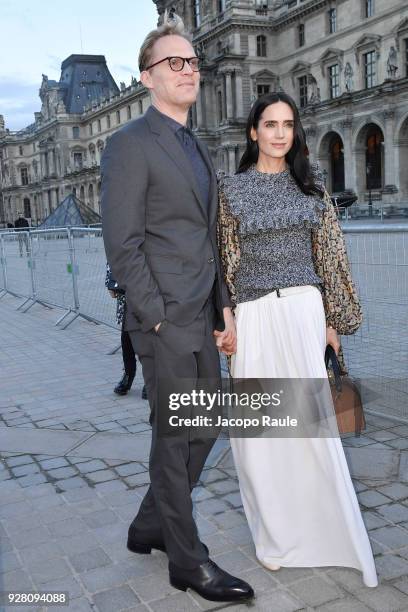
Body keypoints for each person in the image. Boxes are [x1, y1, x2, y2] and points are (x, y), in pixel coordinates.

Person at [101, 12, 254, 604]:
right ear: (147, 77)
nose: (188, 69)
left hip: (201, 315)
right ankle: (188, 562)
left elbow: (207, 238)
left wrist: (224, 311)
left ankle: (148, 526)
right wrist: (159, 316)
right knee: (175, 437)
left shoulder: (193, 142)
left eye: (191, 61)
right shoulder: (129, 145)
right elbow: (123, 244)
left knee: (205, 427)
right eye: (174, 62)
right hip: (164, 320)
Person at [217, 92, 378, 588]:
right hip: (255, 318)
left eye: (288, 124)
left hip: (304, 314)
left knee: (312, 434)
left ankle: (328, 534)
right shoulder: (230, 190)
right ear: (253, 132)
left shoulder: (312, 190)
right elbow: (221, 263)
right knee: (259, 439)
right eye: (270, 124)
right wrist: (227, 321)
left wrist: (332, 321)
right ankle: (276, 538)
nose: (280, 133)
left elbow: (331, 258)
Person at [105, 263, 147, 399]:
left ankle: (150, 378)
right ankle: (128, 375)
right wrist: (109, 282)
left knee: (147, 340)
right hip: (126, 296)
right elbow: (112, 257)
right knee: (126, 339)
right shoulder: (118, 241)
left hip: (147, 295)